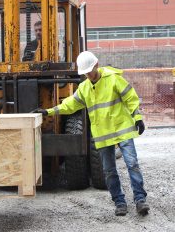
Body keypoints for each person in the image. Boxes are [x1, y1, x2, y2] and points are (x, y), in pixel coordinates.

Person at [35, 51, 150, 217]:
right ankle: (119, 202)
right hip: (103, 135)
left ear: (96, 65)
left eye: (90, 71)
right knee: (109, 171)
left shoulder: (113, 79)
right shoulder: (84, 88)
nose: (88, 75)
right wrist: (48, 111)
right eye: (85, 73)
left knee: (132, 164)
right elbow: (70, 105)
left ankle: (140, 200)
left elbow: (130, 97)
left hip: (121, 130)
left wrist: (137, 117)